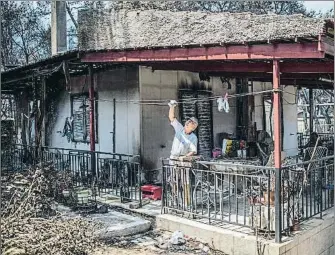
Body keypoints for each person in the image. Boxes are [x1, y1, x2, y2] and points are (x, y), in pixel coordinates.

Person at [167, 100, 198, 208]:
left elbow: (193, 150)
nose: (189, 127)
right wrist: (172, 106)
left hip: (184, 161)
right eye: (189, 125)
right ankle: (175, 201)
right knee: (174, 181)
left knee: (185, 182)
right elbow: (172, 118)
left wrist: (185, 157)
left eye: (193, 127)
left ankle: (186, 203)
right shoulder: (179, 129)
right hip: (174, 158)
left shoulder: (193, 137)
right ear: (186, 124)